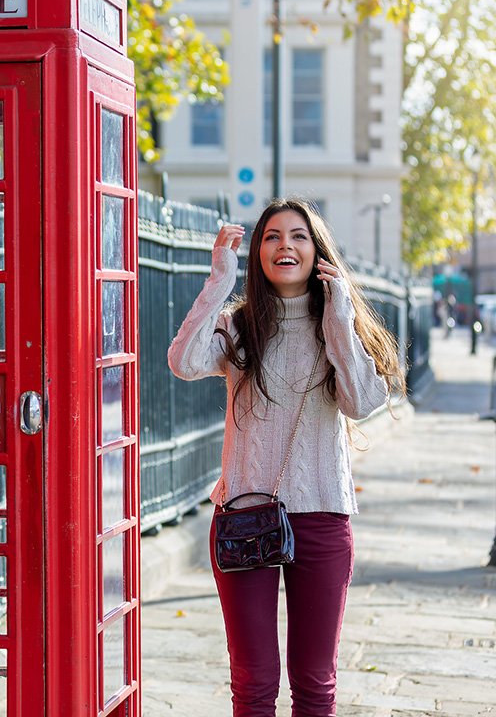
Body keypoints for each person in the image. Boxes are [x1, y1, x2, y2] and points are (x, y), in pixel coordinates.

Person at [167, 198, 404, 717]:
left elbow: (362, 402)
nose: (285, 246)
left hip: (321, 517)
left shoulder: (336, 326)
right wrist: (218, 281)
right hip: (245, 515)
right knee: (253, 684)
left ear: (317, 251)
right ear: (259, 254)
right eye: (272, 237)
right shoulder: (239, 326)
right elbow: (182, 362)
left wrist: (339, 316)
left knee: (315, 684)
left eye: (298, 236)